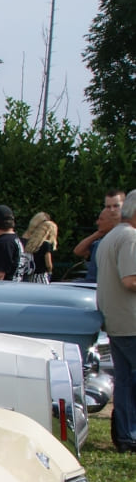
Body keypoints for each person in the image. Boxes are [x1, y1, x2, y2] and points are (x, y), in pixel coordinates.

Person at [94, 191, 136, 452]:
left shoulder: (111, 237)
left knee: (124, 381)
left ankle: (125, 435)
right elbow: (130, 280)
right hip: (132, 322)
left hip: (117, 321)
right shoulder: (131, 237)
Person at [73, 190, 125, 284]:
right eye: (108, 207)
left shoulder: (128, 235)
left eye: (116, 206)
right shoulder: (100, 242)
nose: (112, 210)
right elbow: (79, 251)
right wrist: (99, 233)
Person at [21, 211, 58, 284]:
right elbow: (48, 264)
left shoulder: (30, 242)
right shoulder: (46, 244)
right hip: (41, 276)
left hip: (29, 274)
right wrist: (50, 271)